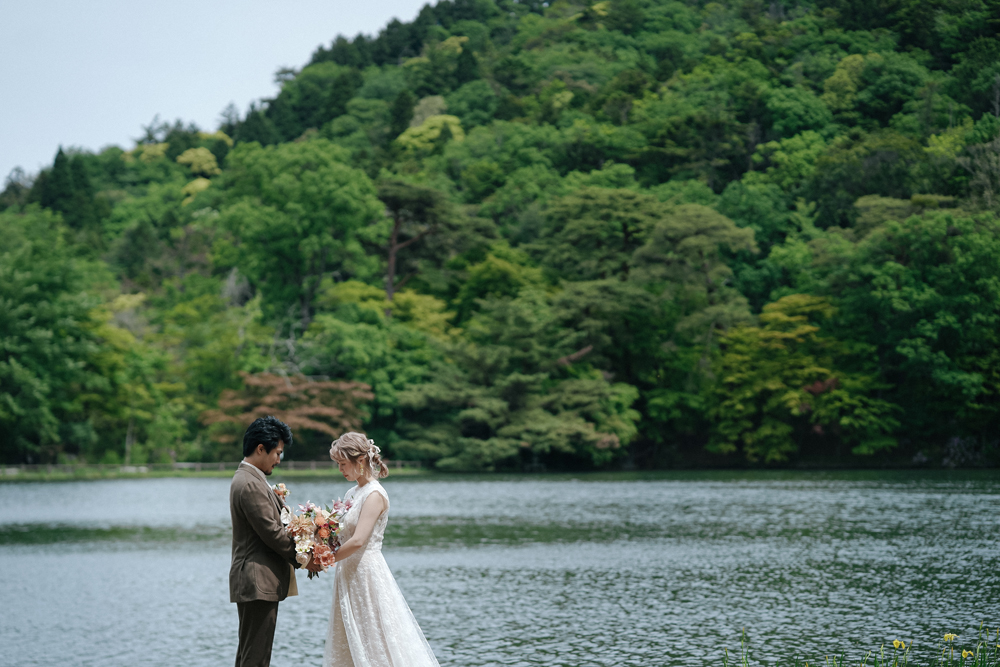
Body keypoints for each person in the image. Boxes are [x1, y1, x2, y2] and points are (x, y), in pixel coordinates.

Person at [322, 432, 441, 667]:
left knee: (373, 636)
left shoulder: (374, 495)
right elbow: (341, 534)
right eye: (338, 464)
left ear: (360, 461)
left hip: (366, 573)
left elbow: (358, 540)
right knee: (349, 635)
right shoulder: (351, 493)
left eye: (343, 463)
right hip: (347, 572)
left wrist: (325, 560)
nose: (340, 469)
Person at [230, 415, 319, 667]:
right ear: (261, 448)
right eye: (277, 453)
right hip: (257, 579)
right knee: (256, 657)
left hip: (257, 580)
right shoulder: (249, 483)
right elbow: (272, 533)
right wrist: (305, 558)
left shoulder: (251, 478)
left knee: (250, 653)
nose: (279, 460)